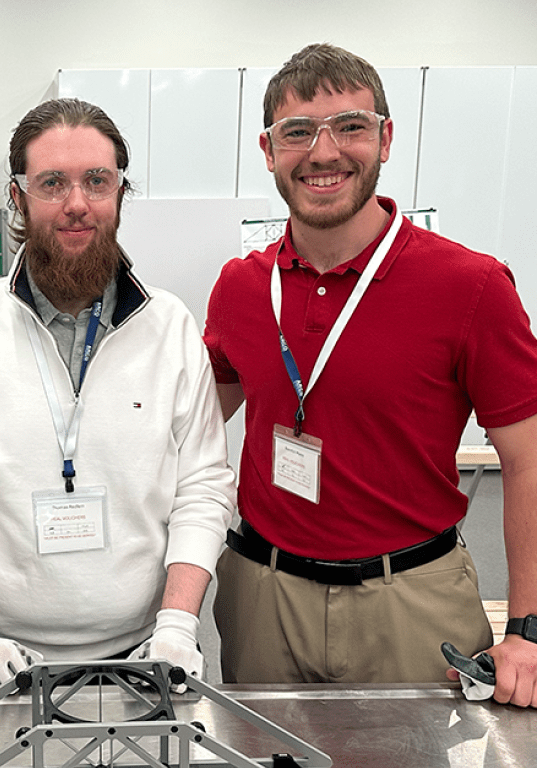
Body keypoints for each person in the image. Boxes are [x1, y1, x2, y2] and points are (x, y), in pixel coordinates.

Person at [204, 43, 537, 707]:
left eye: (350, 126)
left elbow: (528, 463)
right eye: (297, 132)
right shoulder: (242, 287)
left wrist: (527, 628)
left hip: (410, 601)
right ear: (269, 151)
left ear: (385, 138)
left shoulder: (470, 286)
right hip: (263, 595)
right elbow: (184, 432)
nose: (323, 153)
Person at [0, 98, 236, 695]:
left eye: (96, 181)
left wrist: (180, 623)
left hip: (147, 655)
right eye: (52, 182)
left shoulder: (170, 327)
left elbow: (202, 488)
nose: (76, 203)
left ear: (120, 193)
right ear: (18, 196)